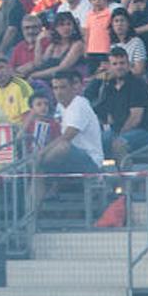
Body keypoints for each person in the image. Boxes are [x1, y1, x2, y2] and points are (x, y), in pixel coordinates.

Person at [37, 71, 104, 208]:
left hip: (90, 161)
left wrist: (41, 154)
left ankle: (38, 165)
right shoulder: (61, 106)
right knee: (37, 170)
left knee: (63, 147)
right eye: (55, 88)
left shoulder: (80, 104)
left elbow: (67, 137)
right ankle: (31, 215)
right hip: (70, 159)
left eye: (63, 87)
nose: (58, 92)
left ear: (73, 87)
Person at [88, 46, 148, 160]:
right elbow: (106, 115)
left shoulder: (138, 84)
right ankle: (99, 176)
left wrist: (118, 135)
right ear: (109, 66)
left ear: (129, 64)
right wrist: (99, 78)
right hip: (118, 130)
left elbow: (135, 118)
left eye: (122, 63)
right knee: (96, 142)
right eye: (115, 64)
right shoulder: (108, 86)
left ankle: (125, 176)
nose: (119, 67)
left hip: (144, 131)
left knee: (118, 143)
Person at [0, 53, 34, 125]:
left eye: (1, 67)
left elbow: (29, 114)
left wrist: (20, 134)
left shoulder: (21, 86)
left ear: (9, 68)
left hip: (17, 129)